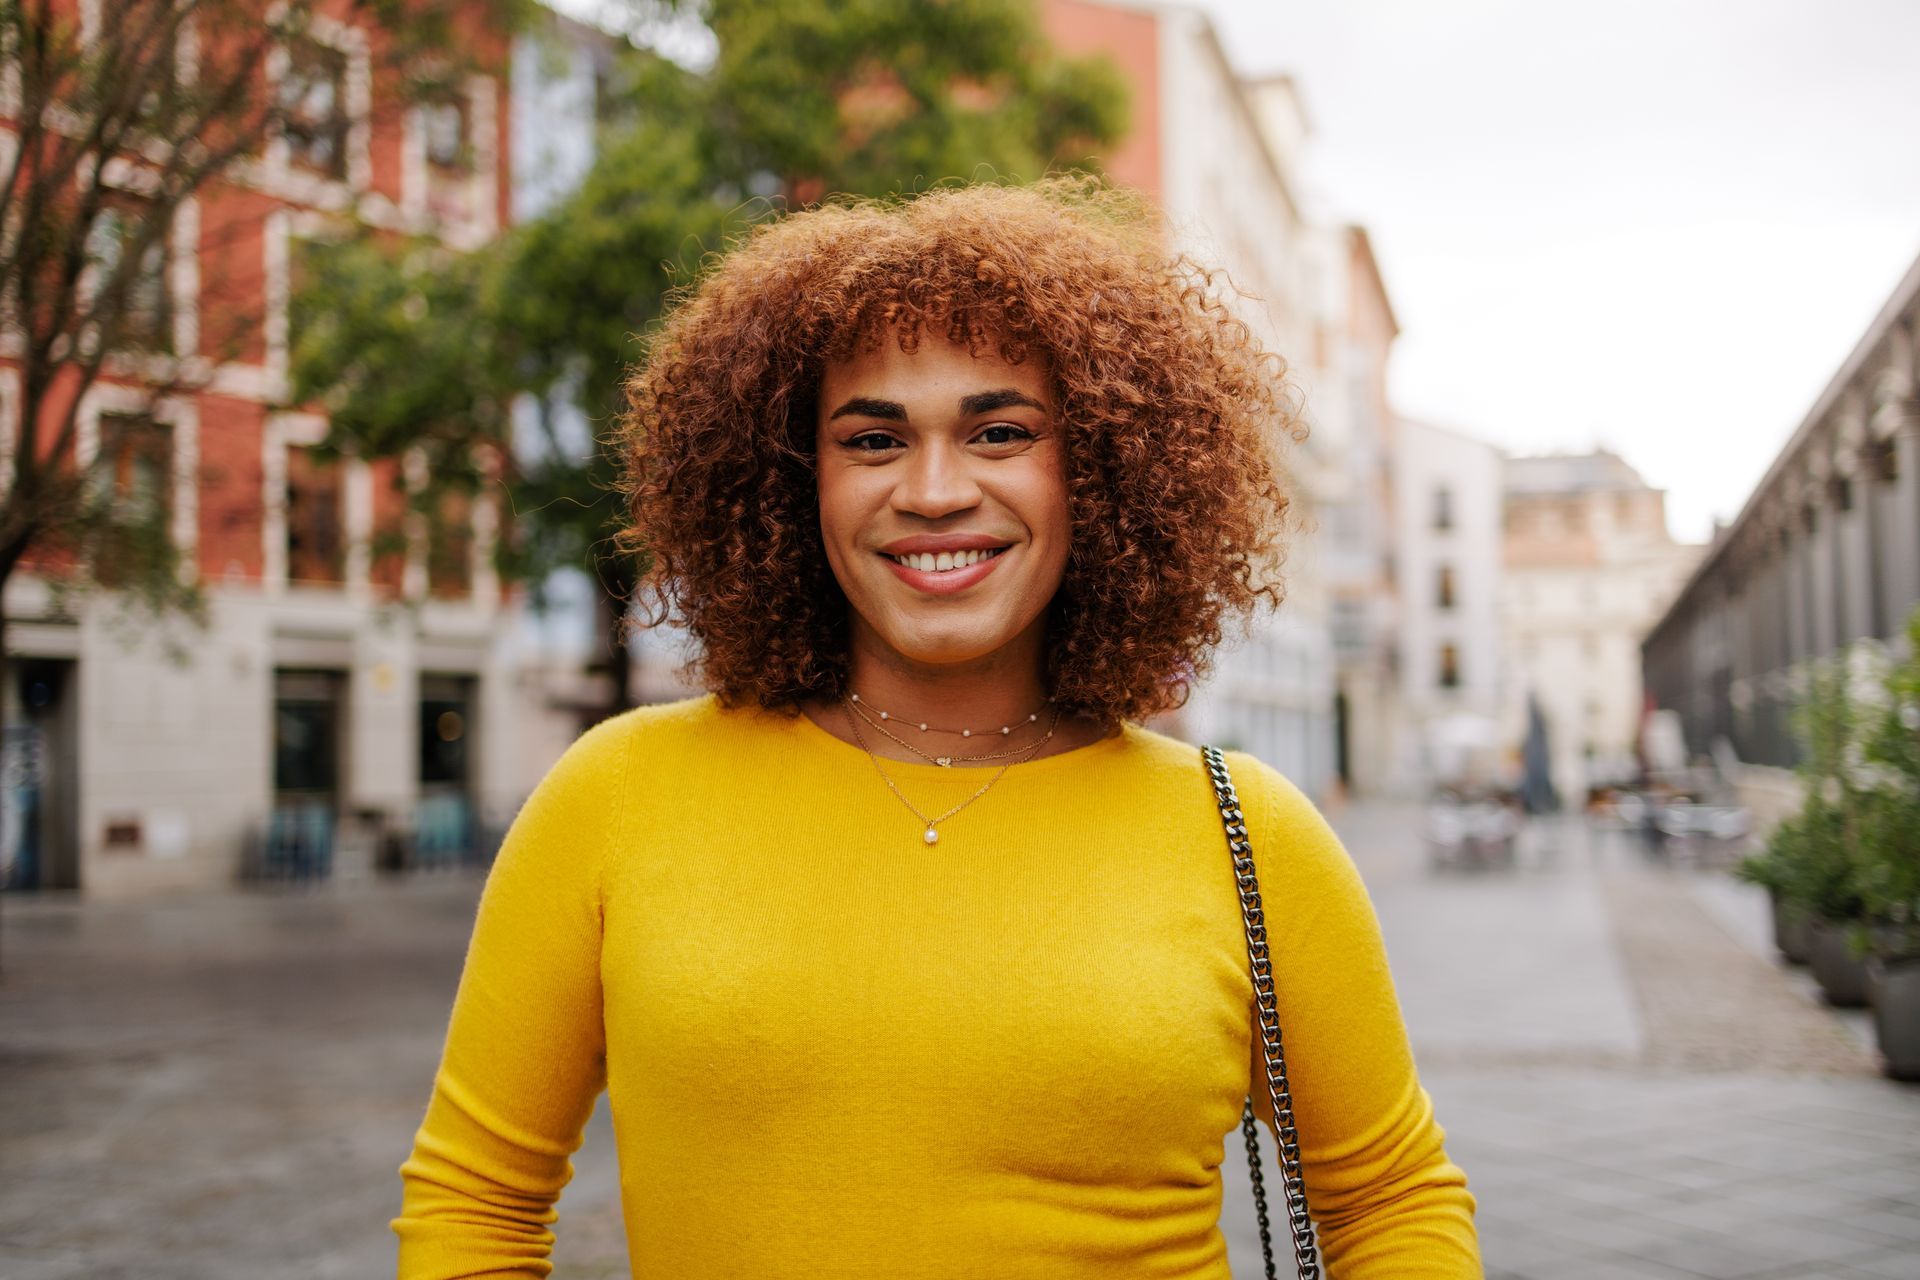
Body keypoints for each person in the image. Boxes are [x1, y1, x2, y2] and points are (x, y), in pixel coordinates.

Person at [393, 179, 1480, 1278]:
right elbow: (474, 1199)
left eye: (1000, 430)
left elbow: (1391, 1202)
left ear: (1099, 469)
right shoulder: (615, 794)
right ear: (791, 481)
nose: (933, 488)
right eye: (872, 439)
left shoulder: (1247, 832)